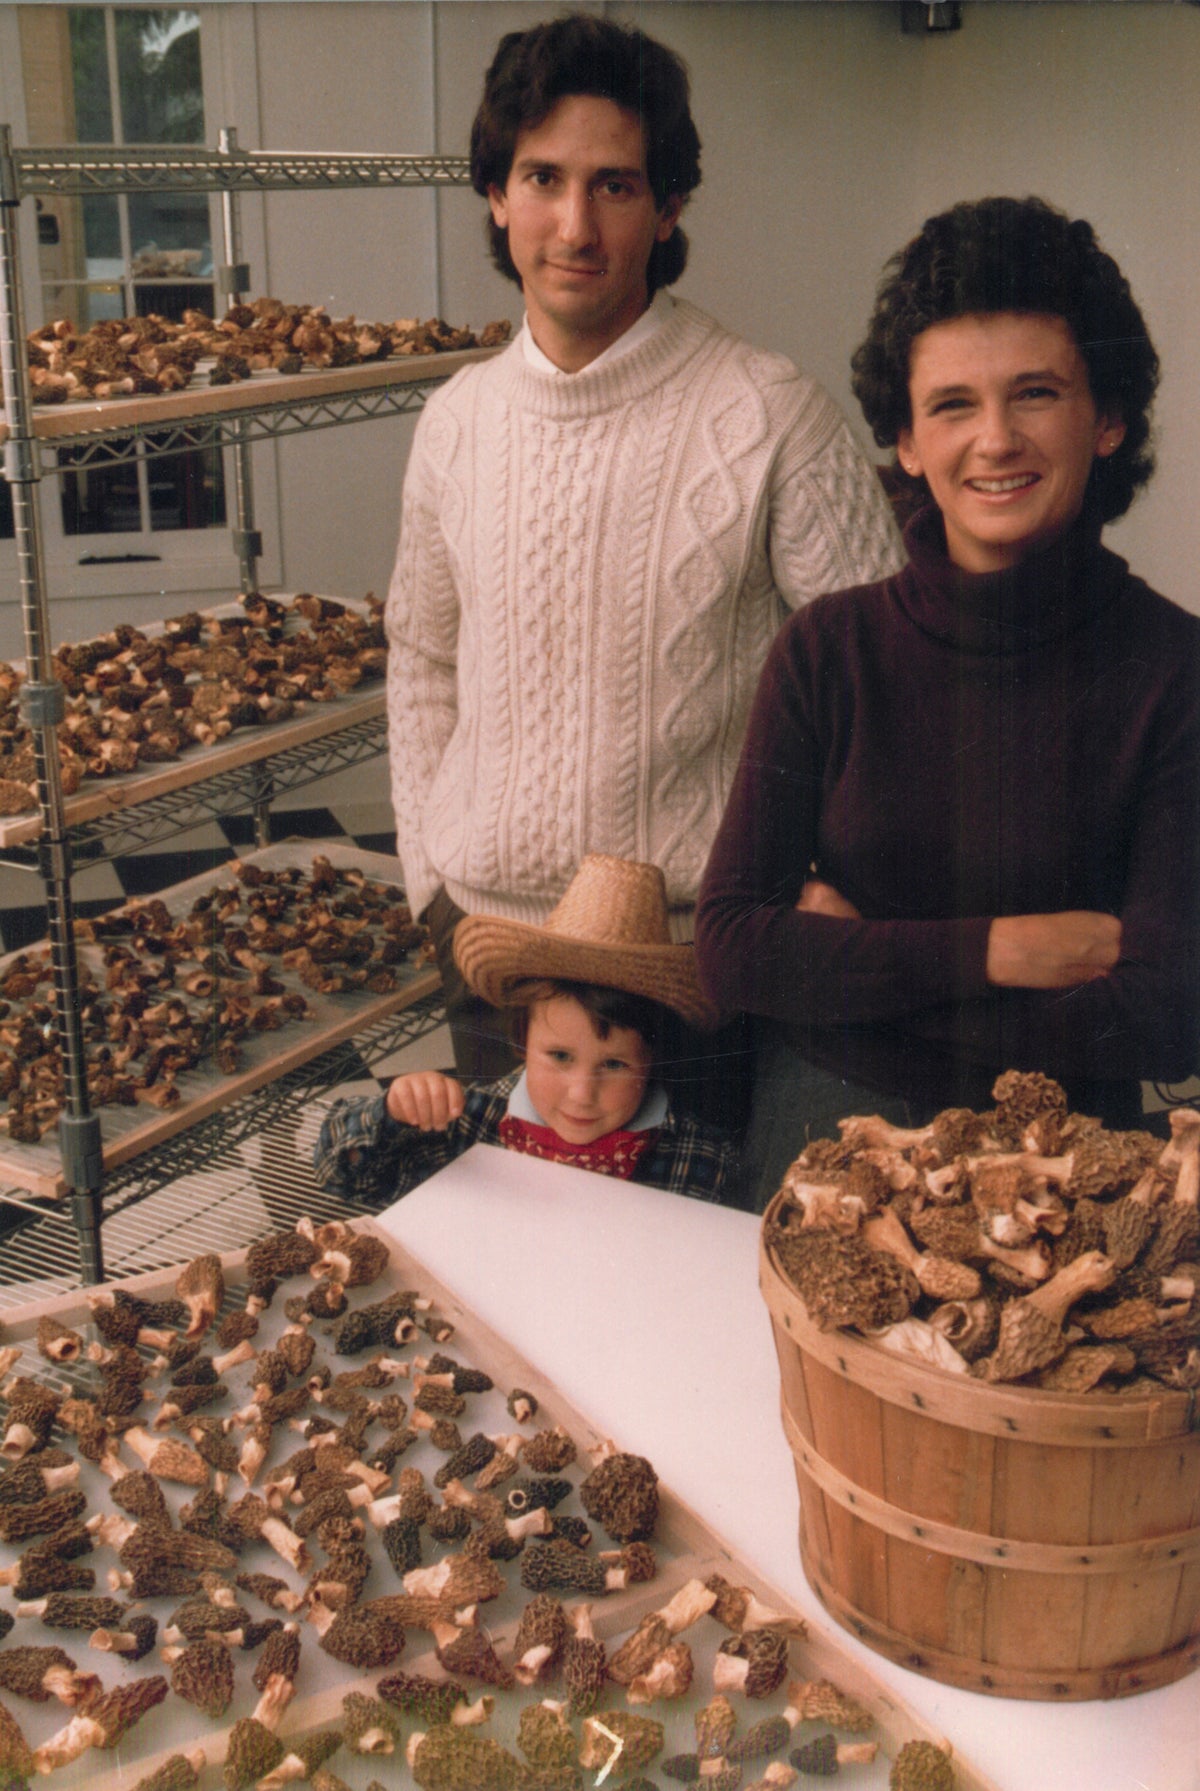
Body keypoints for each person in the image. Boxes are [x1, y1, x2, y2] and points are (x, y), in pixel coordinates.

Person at [384, 12, 903, 1099]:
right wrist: (433, 877)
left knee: (700, 1264)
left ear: (669, 208)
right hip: (494, 961)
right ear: (495, 194)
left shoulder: (770, 412)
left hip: (703, 969)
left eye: (615, 185)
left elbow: (884, 687)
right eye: (542, 178)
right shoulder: (455, 423)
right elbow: (422, 657)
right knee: (506, 1267)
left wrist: (820, 887)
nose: (574, 224)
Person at [695, 195, 1200, 1210]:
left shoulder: (1176, 668)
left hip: (1070, 1153)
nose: (997, 440)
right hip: (828, 1132)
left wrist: (855, 964)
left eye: (1036, 394)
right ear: (909, 442)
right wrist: (1007, 950)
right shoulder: (827, 651)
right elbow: (732, 948)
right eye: (954, 405)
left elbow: (1168, 1013)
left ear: (1107, 419)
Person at [313, 855, 737, 1206]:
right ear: (522, 1038)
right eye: (560, 1057)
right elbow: (343, 1177)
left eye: (613, 1063)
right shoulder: (470, 1122)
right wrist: (395, 1111)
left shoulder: (697, 1155)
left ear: (652, 1058)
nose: (581, 1093)